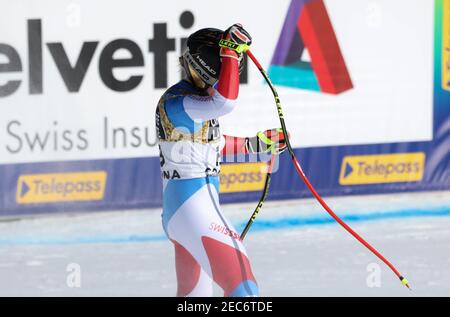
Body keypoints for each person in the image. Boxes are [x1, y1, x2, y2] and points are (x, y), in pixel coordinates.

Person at [155, 24, 288, 297]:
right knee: (245, 292)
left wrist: (256, 145)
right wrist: (229, 51)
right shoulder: (180, 102)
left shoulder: (189, 102)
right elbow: (226, 103)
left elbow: (210, 145)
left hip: (182, 212)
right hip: (195, 210)